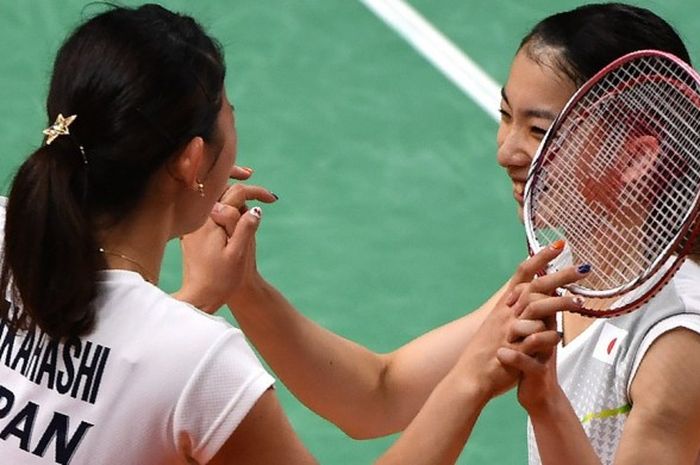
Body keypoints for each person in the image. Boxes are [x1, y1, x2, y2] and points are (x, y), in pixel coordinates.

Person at [0, 4, 582, 465]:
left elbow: (101, 380)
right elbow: (154, 370)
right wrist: (472, 378)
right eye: (229, 109)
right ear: (191, 161)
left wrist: (219, 295)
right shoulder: (195, 362)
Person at [181, 3, 700, 464]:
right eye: (505, 116)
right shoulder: (570, 274)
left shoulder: (679, 338)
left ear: (636, 156)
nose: (507, 151)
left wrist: (547, 407)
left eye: (539, 130)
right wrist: (245, 289)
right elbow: (376, 398)